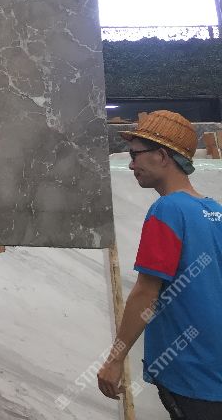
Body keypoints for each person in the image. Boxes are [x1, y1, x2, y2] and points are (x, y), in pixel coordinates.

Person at [97, 109, 222, 418]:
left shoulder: (167, 209)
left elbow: (146, 293)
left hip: (191, 373)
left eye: (135, 154)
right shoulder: (215, 211)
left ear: (162, 155)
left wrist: (115, 360)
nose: (131, 164)